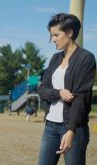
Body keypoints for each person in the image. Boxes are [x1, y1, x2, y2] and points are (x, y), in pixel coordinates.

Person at [38, 13, 96, 165]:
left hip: (73, 129)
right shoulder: (55, 59)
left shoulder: (86, 58)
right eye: (52, 35)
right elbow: (42, 89)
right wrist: (59, 93)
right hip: (50, 127)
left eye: (56, 35)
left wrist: (71, 131)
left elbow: (81, 98)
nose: (53, 39)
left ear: (70, 33)